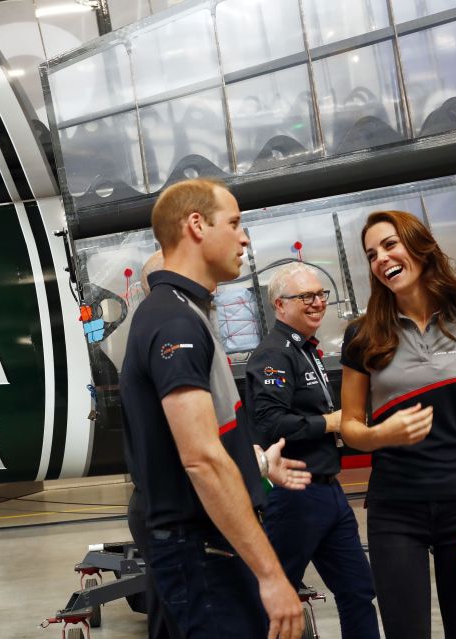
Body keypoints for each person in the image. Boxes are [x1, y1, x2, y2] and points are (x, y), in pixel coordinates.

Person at [120, 178, 305, 639]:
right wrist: (270, 574)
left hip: (200, 549)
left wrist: (254, 464)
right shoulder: (175, 321)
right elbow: (199, 458)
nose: (244, 238)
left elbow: (186, 444)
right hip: (201, 553)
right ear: (196, 225)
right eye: (236, 223)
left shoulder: (186, 313)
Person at [339, 210, 456, 639]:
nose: (381, 258)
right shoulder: (363, 336)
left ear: (420, 246)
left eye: (389, 245)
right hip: (395, 512)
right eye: (371, 254)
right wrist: (381, 435)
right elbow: (349, 426)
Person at [246, 263, 380, 638]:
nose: (317, 302)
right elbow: (271, 424)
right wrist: (330, 423)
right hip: (295, 494)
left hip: (328, 492)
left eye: (321, 295)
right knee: (277, 595)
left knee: (357, 589)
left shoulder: (307, 351)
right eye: (306, 296)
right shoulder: (273, 355)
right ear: (279, 305)